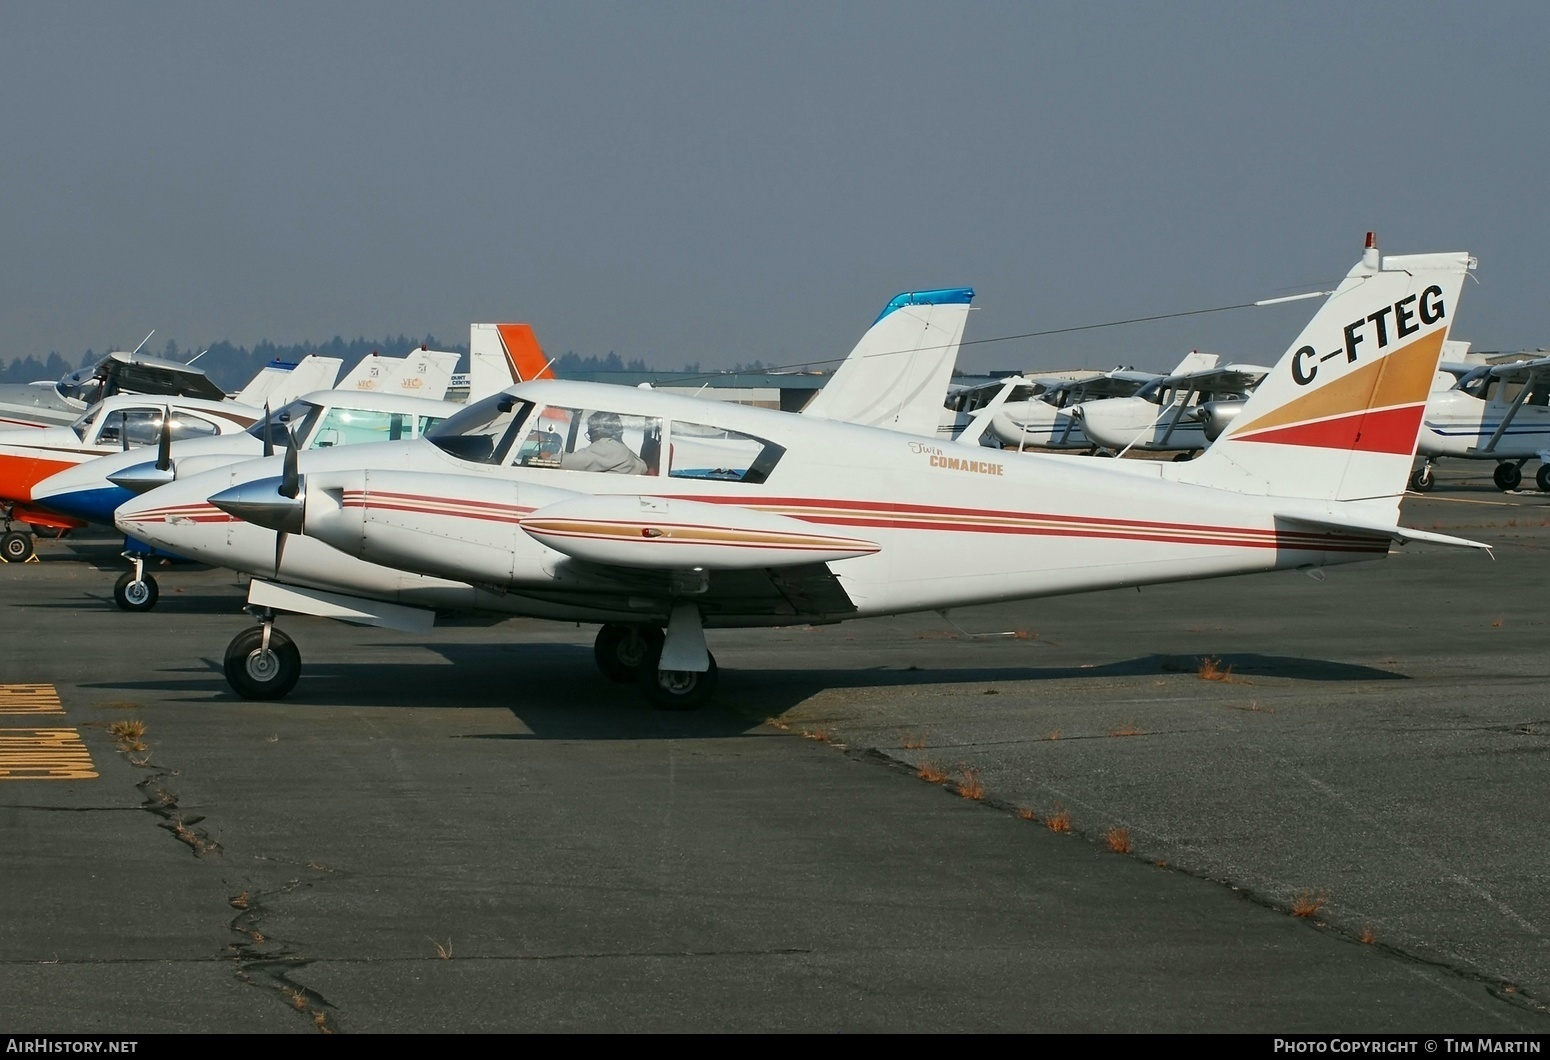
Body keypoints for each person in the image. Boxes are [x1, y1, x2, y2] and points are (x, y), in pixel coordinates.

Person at [560, 411, 647, 474]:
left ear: (598, 431)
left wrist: (548, 456)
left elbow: (568, 462)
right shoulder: (623, 451)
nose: (591, 439)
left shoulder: (608, 447)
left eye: (591, 433)